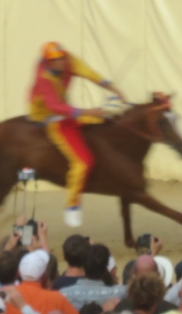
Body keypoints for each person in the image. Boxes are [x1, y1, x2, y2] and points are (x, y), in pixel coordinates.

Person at [29, 41, 126, 226]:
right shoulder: (43, 78)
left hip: (65, 109)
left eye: (62, 58)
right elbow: (54, 107)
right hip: (47, 114)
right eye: (56, 60)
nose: (61, 63)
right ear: (48, 62)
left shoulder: (69, 61)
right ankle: (72, 205)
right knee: (82, 163)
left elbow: (89, 73)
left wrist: (113, 89)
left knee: (103, 121)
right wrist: (88, 112)